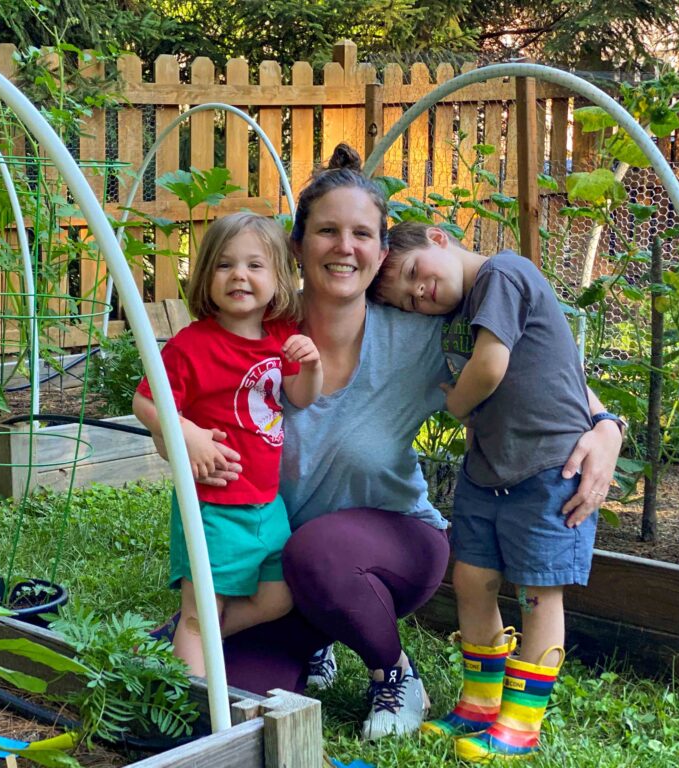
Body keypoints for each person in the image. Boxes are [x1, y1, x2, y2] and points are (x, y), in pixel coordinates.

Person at [140, 145, 623, 741]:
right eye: (327, 231)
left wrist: (606, 426)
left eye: (361, 233)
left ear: (380, 251)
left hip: (393, 545)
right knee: (237, 686)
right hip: (273, 562)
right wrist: (178, 436)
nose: (345, 247)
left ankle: (393, 671)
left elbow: (535, 372)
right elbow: (175, 412)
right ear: (297, 246)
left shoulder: (417, 335)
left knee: (317, 553)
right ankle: (306, 636)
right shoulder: (252, 340)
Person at [369, 221, 626, 760]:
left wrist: (457, 403)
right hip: (488, 470)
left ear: (439, 238)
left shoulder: (502, 273)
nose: (420, 294)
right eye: (410, 302)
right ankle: (480, 703)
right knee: (471, 579)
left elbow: (489, 367)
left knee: (538, 592)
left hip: (549, 466)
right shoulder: (463, 311)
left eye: (415, 274)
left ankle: (520, 722)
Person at [132, 212, 322, 676]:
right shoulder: (190, 346)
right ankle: (193, 701)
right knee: (201, 613)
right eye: (224, 265)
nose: (239, 275)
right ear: (205, 278)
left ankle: (184, 639)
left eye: (255, 266)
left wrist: (313, 366)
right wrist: (187, 432)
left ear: (278, 279)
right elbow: (144, 402)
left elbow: (299, 396)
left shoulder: (280, 338)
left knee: (277, 597)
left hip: (266, 503)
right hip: (211, 504)